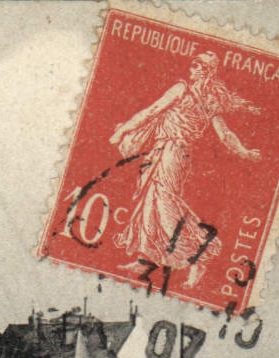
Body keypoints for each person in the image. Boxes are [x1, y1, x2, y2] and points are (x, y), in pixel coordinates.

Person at [108, 51, 260, 289]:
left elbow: (151, 111)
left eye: (197, 65)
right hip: (171, 153)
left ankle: (198, 259)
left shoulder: (182, 90)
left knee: (165, 205)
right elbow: (226, 135)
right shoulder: (210, 103)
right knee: (150, 203)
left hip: (171, 153)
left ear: (205, 71)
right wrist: (245, 152)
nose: (191, 68)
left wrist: (121, 131)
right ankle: (146, 260)